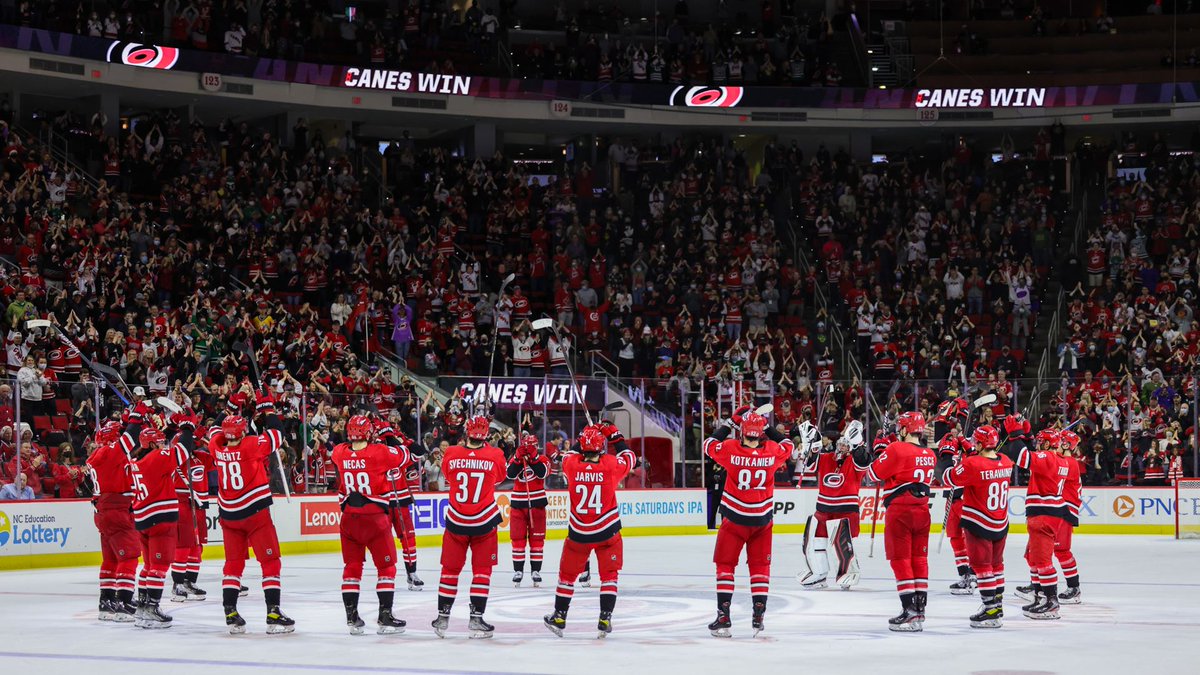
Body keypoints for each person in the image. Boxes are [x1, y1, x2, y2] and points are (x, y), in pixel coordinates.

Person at [703, 407, 795, 637]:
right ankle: (758, 616)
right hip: (762, 521)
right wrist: (767, 426)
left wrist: (730, 422)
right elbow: (789, 446)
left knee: (725, 566)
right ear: (760, 433)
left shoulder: (731, 448)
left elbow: (708, 444)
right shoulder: (772, 451)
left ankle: (724, 617)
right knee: (760, 568)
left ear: (742, 432)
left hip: (735, 519)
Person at [543, 423, 634, 638]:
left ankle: (559, 616)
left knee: (567, 576)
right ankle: (605, 618)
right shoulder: (610, 464)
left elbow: (573, 451)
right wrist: (613, 434)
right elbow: (628, 456)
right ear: (601, 448)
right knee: (609, 576)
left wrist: (587, 432)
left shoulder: (571, 464)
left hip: (579, 533)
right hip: (607, 531)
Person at [209, 411, 295, 634]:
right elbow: (277, 432)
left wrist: (228, 408)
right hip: (255, 513)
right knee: (270, 561)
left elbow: (215, 429)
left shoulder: (216, 447)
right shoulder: (251, 445)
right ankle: (273, 612)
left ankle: (230, 612)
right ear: (243, 431)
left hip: (229, 514)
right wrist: (269, 411)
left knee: (233, 564)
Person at [332, 415, 409, 635]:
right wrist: (388, 433)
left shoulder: (339, 452)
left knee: (352, 568)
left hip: (348, 518)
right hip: (375, 518)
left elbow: (346, 452)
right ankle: (385, 615)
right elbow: (403, 454)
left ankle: (351, 616)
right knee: (386, 568)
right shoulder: (380, 452)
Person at [432, 415, 506, 639]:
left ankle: (443, 617)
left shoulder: (452, 452)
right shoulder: (495, 454)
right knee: (482, 572)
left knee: (450, 570)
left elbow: (448, 475)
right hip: (484, 521)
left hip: (457, 521)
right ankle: (476, 618)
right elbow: (499, 479)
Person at [867, 410, 937, 632]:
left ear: (906, 429)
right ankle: (920, 609)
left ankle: (908, 610)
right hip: (923, 511)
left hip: (901, 511)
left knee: (900, 559)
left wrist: (880, 448)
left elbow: (872, 475)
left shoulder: (896, 448)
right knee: (919, 558)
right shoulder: (930, 453)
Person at [942, 425, 1014, 628]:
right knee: (997, 566)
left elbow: (948, 478)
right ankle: (997, 605)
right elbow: (981, 462)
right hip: (1001, 522)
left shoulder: (973, 464)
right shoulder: (1006, 461)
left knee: (982, 568)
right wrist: (967, 449)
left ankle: (990, 609)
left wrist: (948, 452)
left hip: (978, 522)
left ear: (981, 443)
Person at [129, 421, 190, 629]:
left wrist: (172, 427)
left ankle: (143, 608)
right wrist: (188, 429)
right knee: (159, 566)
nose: (164, 445)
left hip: (143, 518)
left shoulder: (136, 459)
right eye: (161, 442)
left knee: (148, 566)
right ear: (153, 445)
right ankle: (152, 609)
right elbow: (183, 451)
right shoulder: (156, 457)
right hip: (160, 518)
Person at [796, 420, 869, 590]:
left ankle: (848, 572)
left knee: (840, 542)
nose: (842, 447)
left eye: (847, 445)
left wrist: (858, 443)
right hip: (823, 508)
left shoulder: (854, 462)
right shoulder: (826, 458)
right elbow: (810, 462)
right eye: (841, 443)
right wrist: (811, 442)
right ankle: (818, 573)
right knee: (813, 539)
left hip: (846, 510)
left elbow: (863, 460)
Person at [86, 421, 139, 622]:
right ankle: (123, 602)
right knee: (129, 557)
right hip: (117, 509)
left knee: (111, 559)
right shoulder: (109, 453)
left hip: (104, 510)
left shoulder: (98, 456)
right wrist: (136, 417)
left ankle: (106, 601)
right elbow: (130, 438)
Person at [1014, 427, 1068, 620]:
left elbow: (1022, 458)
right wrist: (1025, 435)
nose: (1037, 445)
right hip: (1045, 514)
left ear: (1046, 444)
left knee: (1043, 563)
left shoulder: (1049, 457)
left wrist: (1014, 434)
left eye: (1039, 442)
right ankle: (1039, 596)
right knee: (1034, 559)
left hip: (1044, 516)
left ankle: (1050, 601)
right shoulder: (1059, 459)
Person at [376, 418, 424, 590]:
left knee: (408, 537)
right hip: (383, 501)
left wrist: (402, 439)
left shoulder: (400, 451)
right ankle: (386, 574)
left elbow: (419, 452)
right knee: (384, 540)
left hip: (401, 500)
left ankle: (412, 573)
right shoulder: (375, 451)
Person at [170, 413, 212, 603]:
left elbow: (217, 453)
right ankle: (177, 584)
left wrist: (204, 437)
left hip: (200, 505)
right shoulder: (174, 458)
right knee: (183, 545)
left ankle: (190, 582)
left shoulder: (201, 457)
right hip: (182, 504)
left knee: (197, 546)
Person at [508, 432, 550, 587]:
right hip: (518, 504)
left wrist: (533, 458)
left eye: (533, 446)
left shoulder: (543, 459)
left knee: (537, 540)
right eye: (528, 445)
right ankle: (518, 571)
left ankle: (535, 571)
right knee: (517, 539)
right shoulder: (516, 458)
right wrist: (518, 459)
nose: (530, 448)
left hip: (537, 504)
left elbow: (542, 472)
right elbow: (510, 474)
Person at [940, 426, 977, 594]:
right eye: (952, 432)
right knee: (955, 539)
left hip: (965, 500)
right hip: (950, 500)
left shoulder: (968, 451)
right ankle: (963, 576)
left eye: (956, 432)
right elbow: (941, 468)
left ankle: (974, 574)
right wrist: (949, 443)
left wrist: (963, 442)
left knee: (969, 539)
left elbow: (976, 457)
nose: (953, 434)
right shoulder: (948, 448)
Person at [1053, 429, 1084, 605]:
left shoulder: (1069, 462)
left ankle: (1074, 587)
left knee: (1061, 550)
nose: (1057, 444)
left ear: (1065, 444)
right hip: (1059, 509)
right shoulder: (1067, 461)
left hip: (1065, 510)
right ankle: (1037, 584)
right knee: (1041, 549)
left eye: (1059, 441)